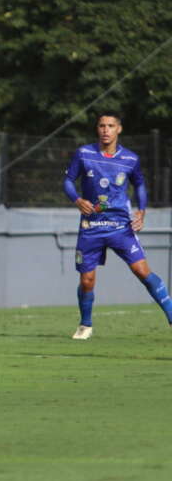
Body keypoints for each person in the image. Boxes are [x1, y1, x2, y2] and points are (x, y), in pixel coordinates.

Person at [63, 113, 172, 339]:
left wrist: (141, 211)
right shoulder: (84, 154)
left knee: (142, 271)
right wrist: (77, 200)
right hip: (91, 226)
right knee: (87, 280)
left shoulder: (130, 159)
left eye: (111, 126)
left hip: (120, 226)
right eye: (102, 125)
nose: (106, 130)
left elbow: (140, 185)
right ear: (97, 129)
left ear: (119, 129)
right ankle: (85, 324)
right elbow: (67, 181)